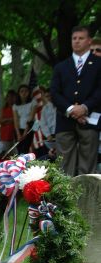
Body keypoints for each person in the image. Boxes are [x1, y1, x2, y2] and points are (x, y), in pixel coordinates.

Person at [50, 25, 101, 176]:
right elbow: (54, 93)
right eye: (74, 38)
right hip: (65, 121)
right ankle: (66, 193)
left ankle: (86, 193)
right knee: (64, 168)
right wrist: (71, 109)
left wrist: (84, 107)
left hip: (89, 119)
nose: (77, 41)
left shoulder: (99, 64)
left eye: (81, 38)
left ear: (89, 41)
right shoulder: (61, 67)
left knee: (88, 168)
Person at [0, 90, 18, 157]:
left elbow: (17, 120)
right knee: (4, 154)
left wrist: (7, 120)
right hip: (5, 135)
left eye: (13, 97)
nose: (11, 99)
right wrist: (11, 119)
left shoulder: (17, 107)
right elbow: (1, 121)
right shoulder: (3, 109)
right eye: (9, 97)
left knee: (15, 154)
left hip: (15, 134)